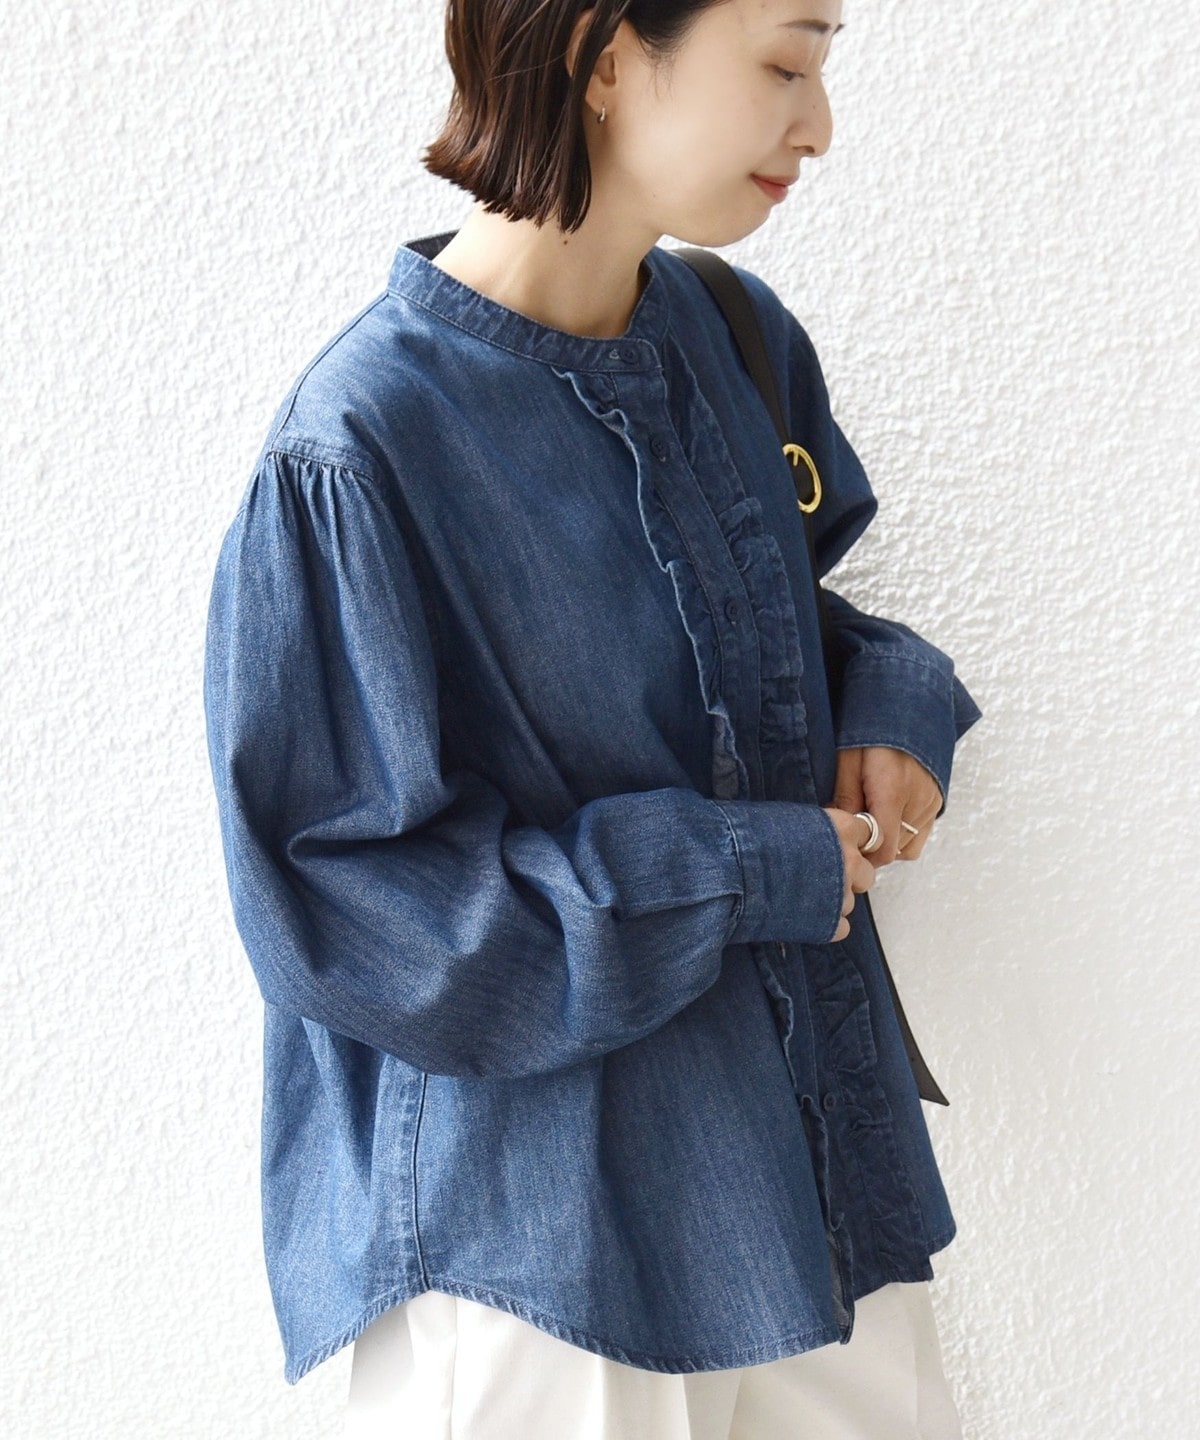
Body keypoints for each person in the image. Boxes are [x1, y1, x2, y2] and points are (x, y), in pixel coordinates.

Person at [202, 0, 984, 1435]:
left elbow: (772, 637)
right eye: (787, 63)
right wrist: (744, 868)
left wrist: (891, 698)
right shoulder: (358, 451)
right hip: (539, 1268)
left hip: (810, 1198)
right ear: (605, 53)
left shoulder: (736, 338)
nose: (818, 125)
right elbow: (354, 915)